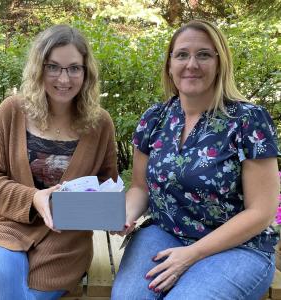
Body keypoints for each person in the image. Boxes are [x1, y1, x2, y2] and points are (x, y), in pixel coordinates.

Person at [111, 19, 280, 300]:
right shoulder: (155, 119)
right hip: (165, 232)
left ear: (220, 63)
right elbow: (140, 188)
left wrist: (191, 255)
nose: (191, 64)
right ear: (169, 64)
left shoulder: (248, 121)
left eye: (203, 54)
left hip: (239, 247)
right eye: (182, 55)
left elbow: (261, 212)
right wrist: (126, 216)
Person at [0, 24, 118, 300]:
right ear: (38, 69)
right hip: (8, 226)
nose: (63, 79)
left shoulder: (100, 123)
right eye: (53, 67)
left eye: (74, 68)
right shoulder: (13, 111)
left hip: (66, 239)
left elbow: (108, 183)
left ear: (86, 72)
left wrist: (112, 213)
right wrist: (34, 198)